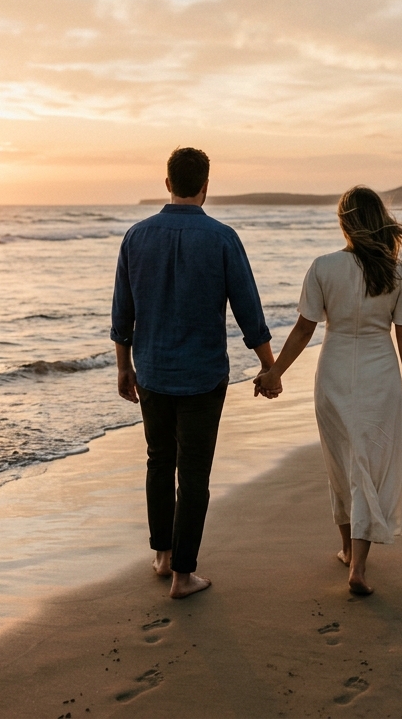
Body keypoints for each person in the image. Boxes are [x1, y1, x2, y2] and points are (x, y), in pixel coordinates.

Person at [111, 147, 275, 599]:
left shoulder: (136, 236)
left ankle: (162, 556)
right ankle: (184, 575)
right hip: (203, 374)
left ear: (167, 184)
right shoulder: (222, 237)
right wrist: (269, 366)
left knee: (159, 461)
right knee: (194, 473)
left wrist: (124, 367)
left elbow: (122, 314)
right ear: (206, 185)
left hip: (152, 371)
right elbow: (249, 310)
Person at [254, 186, 402, 595]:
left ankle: (347, 552)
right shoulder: (396, 271)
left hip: (332, 373)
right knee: (370, 462)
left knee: (342, 463)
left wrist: (275, 371)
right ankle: (359, 565)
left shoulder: (323, 267)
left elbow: (303, 330)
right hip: (380, 373)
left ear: (345, 222)